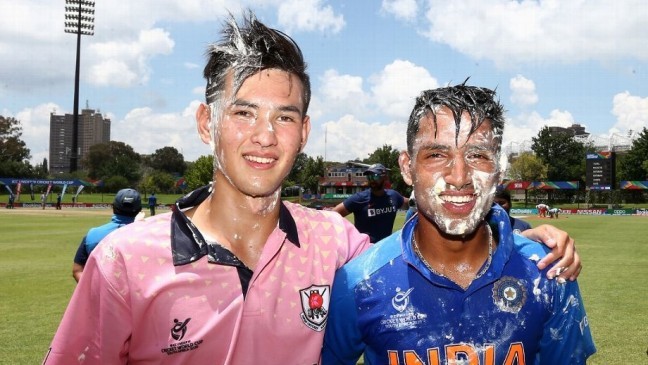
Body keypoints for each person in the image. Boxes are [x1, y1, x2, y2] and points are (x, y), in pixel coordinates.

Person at [44, 12, 579, 365]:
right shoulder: (123, 261)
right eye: (244, 113)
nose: (263, 137)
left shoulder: (335, 246)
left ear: (303, 131)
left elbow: (432, 248)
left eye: (285, 117)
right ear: (207, 123)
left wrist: (525, 238)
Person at [322, 84, 595, 364]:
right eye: (437, 155)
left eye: (477, 155)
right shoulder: (358, 283)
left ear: (499, 169)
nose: (459, 176)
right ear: (407, 167)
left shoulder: (548, 274)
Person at [71, 188, 142, 283]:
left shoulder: (92, 234)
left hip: (99, 295)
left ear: (113, 207)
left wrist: (94, 292)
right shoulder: (148, 237)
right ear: (139, 210)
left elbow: (78, 270)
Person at [333, 163, 409, 243]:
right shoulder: (359, 198)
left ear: (385, 177)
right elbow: (333, 214)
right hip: (365, 251)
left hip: (385, 248)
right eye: (369, 177)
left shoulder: (394, 196)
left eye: (375, 176)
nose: (372, 180)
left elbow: (409, 203)